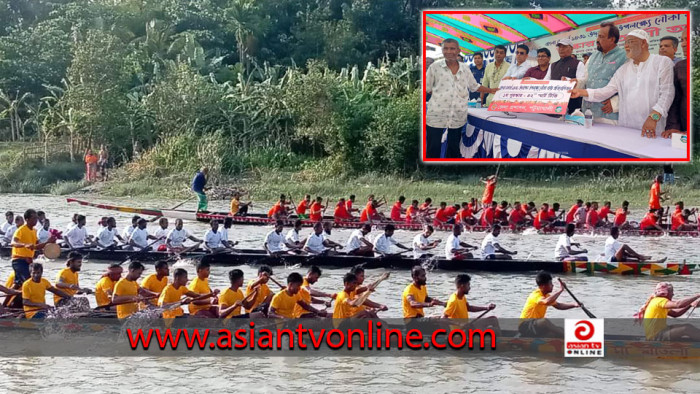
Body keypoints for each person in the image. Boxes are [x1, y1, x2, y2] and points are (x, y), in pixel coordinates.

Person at [570, 29, 674, 138]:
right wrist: (581, 92)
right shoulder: (623, 70)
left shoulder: (662, 62)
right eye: (625, 43)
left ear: (643, 43)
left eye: (630, 42)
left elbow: (667, 94)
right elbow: (606, 91)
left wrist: (653, 118)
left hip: (653, 128)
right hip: (626, 128)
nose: (626, 46)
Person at [425, 38, 499, 158]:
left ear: (458, 50)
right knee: (433, 148)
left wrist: (491, 90)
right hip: (437, 114)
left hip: (458, 115)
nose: (449, 51)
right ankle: (431, 172)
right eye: (446, 48)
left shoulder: (465, 68)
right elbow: (426, 88)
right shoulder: (434, 67)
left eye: (452, 48)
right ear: (442, 50)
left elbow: (474, 86)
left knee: (454, 148)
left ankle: (450, 171)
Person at [582, 22, 627, 125]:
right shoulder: (593, 56)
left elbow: (630, 87)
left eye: (601, 37)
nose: (597, 40)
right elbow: (586, 78)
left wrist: (616, 102)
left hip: (608, 115)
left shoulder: (624, 57)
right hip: (588, 112)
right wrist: (576, 83)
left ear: (612, 39)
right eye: (598, 36)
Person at [518, 272, 580, 337]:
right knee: (544, 321)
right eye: (550, 283)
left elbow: (558, 305)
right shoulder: (535, 295)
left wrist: (574, 305)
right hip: (525, 326)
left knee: (559, 330)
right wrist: (561, 290)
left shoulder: (547, 295)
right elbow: (546, 302)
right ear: (543, 286)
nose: (552, 285)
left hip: (536, 327)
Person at [10, 209, 55, 287]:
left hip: (28, 261)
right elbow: (13, 243)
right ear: (27, 219)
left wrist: (48, 243)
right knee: (29, 281)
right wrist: (24, 245)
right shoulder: (21, 230)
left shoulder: (34, 231)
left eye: (36, 218)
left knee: (18, 284)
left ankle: (8, 299)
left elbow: (37, 247)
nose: (36, 220)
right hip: (19, 261)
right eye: (33, 218)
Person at [662, 29, 687, 139]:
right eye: (683, 40)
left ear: (675, 49)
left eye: (666, 46)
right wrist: (674, 126)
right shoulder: (681, 66)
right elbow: (676, 99)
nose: (684, 44)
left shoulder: (676, 64)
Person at [549, 38, 585, 114]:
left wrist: (569, 81)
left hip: (572, 105)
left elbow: (582, 84)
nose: (561, 49)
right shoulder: (552, 65)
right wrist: (531, 80)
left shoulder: (578, 64)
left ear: (571, 49)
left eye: (564, 47)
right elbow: (546, 81)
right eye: (559, 47)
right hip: (554, 104)